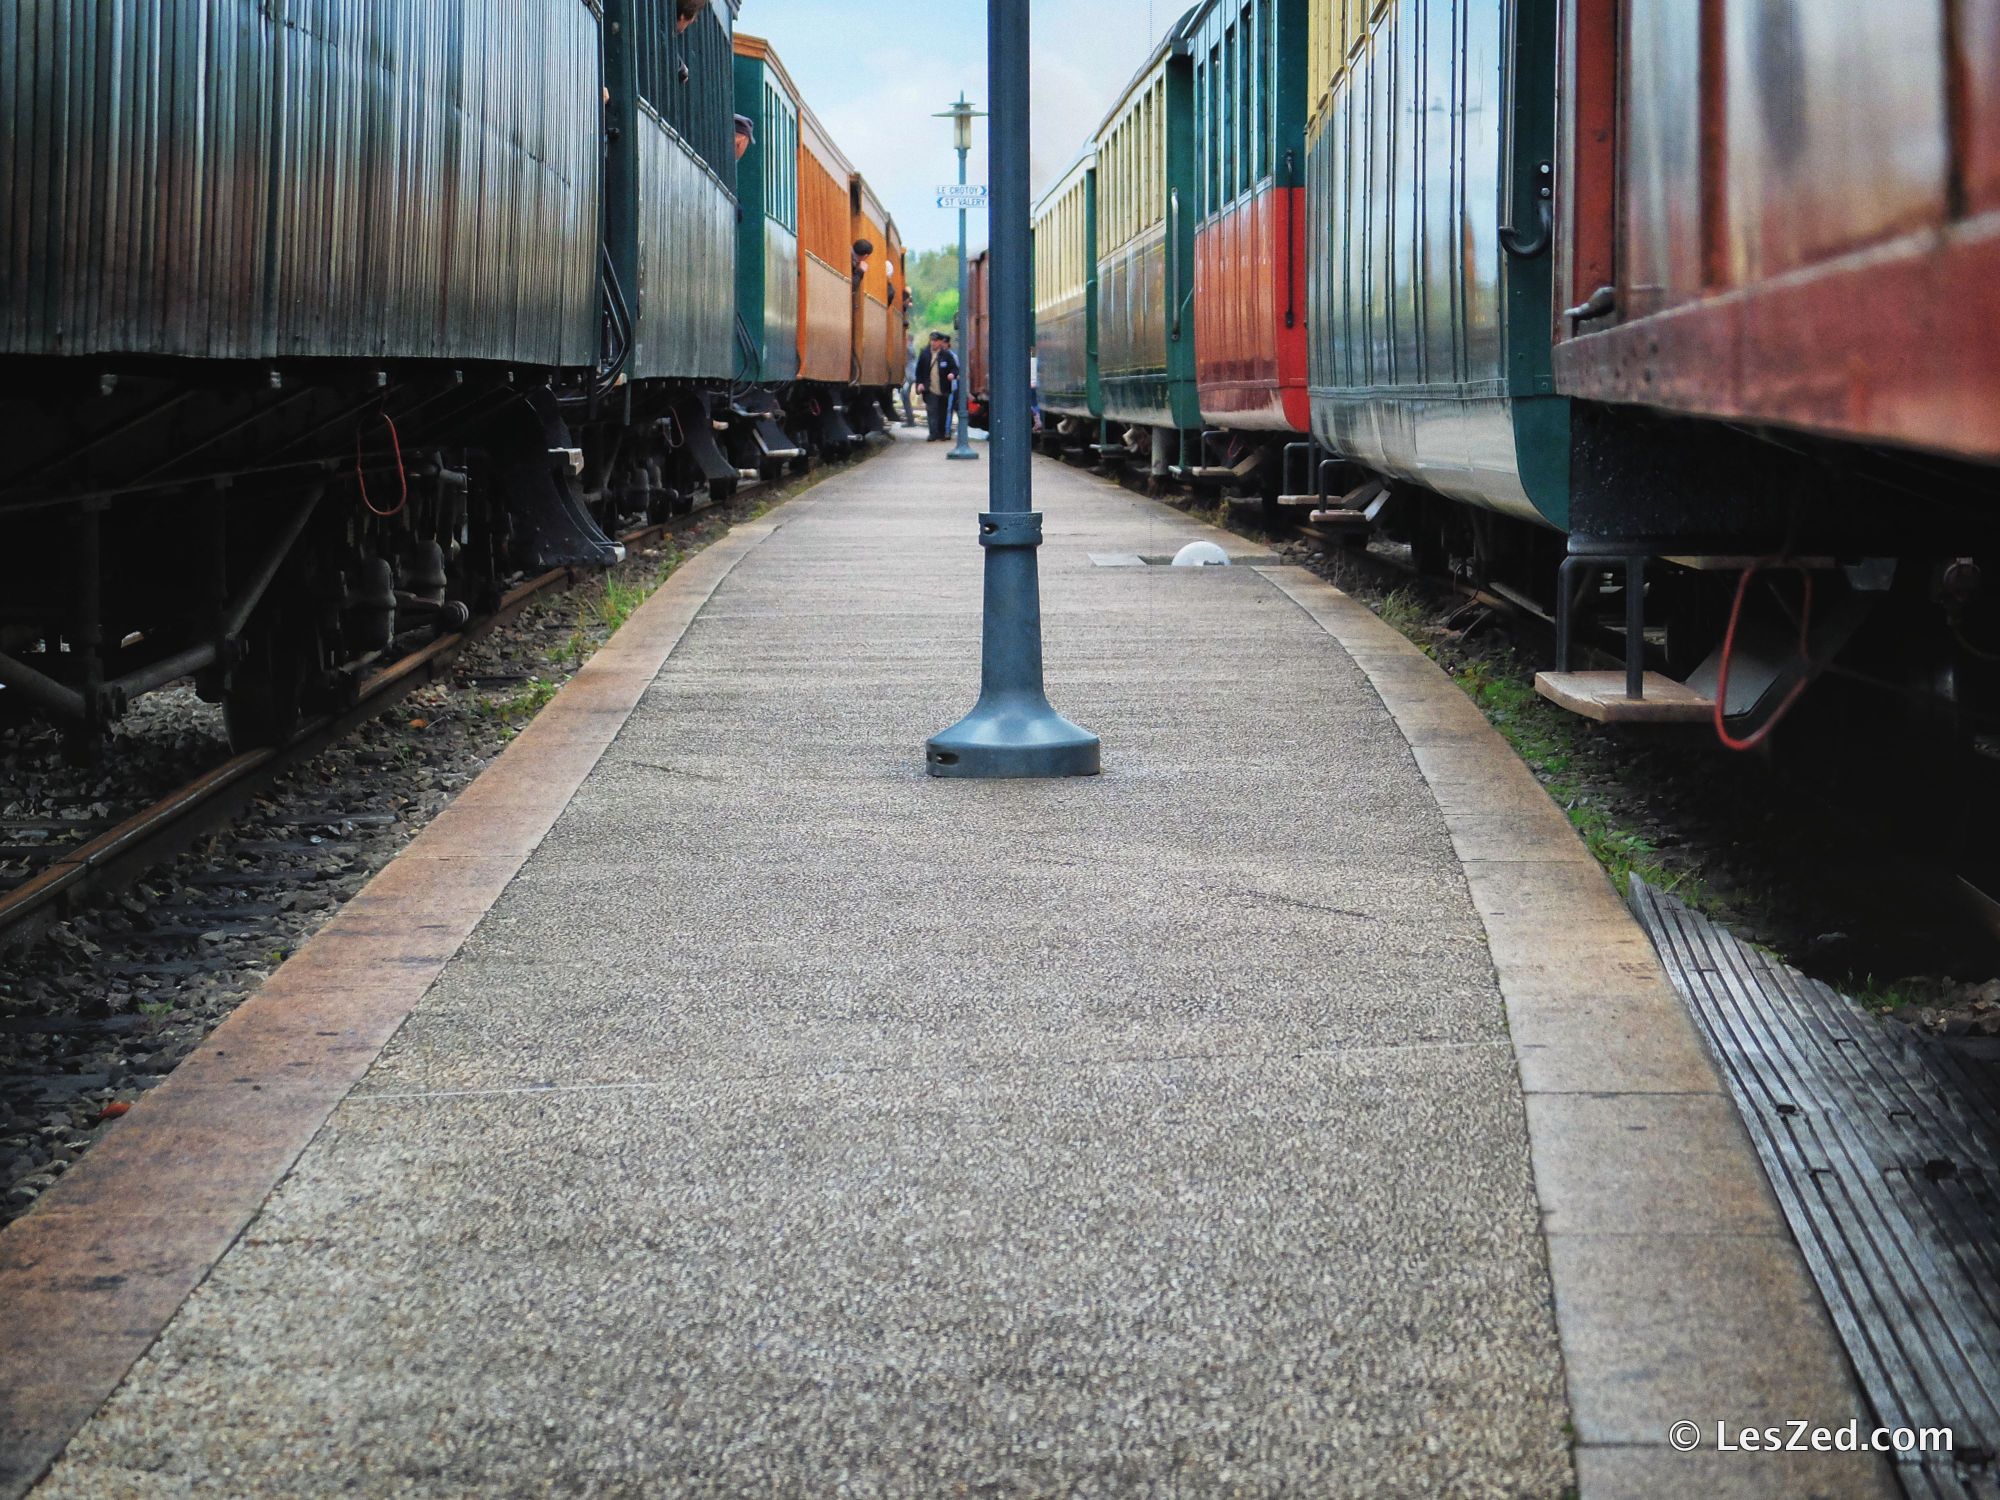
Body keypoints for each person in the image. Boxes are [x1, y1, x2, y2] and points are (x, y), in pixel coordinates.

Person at [914, 332, 959, 442]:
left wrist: (952, 374)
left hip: (943, 389)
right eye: (931, 340)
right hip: (930, 388)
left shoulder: (946, 355)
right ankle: (932, 434)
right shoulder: (925, 354)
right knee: (932, 410)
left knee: (942, 412)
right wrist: (919, 383)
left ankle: (941, 433)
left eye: (935, 341)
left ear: (940, 342)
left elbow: (955, 368)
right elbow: (919, 371)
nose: (933, 343)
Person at [899, 338, 918, 427]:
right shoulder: (911, 349)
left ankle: (910, 420)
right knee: (904, 396)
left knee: (905, 396)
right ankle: (910, 420)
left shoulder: (908, 349)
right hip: (910, 376)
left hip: (909, 376)